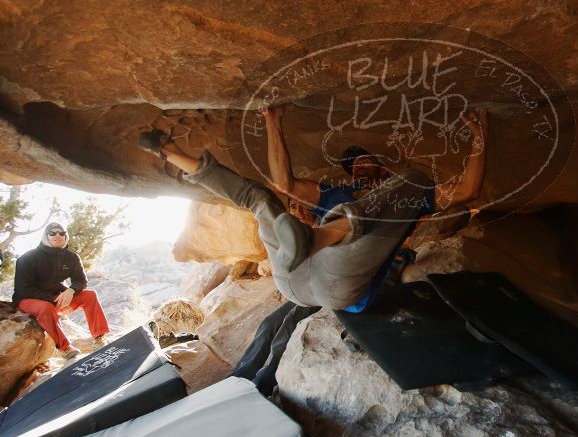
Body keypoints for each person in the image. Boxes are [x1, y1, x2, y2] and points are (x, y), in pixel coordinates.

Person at [137, 106, 487, 311]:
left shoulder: (404, 198)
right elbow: (284, 185)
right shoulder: (336, 192)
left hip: (340, 282)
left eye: (370, 163)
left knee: (409, 181)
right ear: (350, 173)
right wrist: (272, 121)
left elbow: (468, 190)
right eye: (358, 166)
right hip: (296, 279)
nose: (365, 170)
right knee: (259, 199)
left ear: (383, 168)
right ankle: (170, 153)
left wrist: (479, 137)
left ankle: (313, 238)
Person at [12, 223, 110, 359]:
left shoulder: (71, 257)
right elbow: (23, 289)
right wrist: (53, 299)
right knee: (46, 308)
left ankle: (99, 337)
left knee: (90, 295)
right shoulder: (27, 258)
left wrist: (71, 291)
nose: (58, 236)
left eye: (61, 233)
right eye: (52, 233)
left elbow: (81, 280)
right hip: (28, 300)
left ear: (66, 236)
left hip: (57, 298)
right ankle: (64, 348)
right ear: (45, 236)